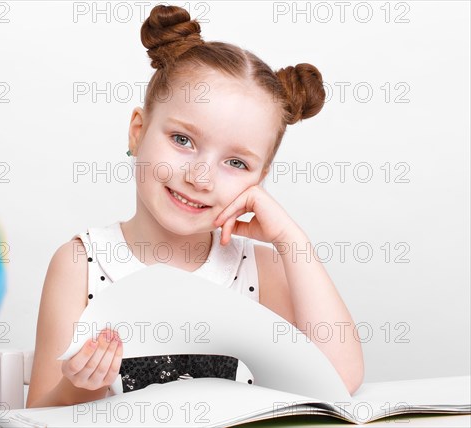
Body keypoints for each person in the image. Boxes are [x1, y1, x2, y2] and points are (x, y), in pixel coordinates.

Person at [26, 4, 364, 408]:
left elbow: (339, 380)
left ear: (260, 179)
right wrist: (83, 383)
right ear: (139, 132)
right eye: (183, 140)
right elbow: (40, 415)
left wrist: (292, 241)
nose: (200, 178)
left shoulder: (261, 269)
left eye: (236, 163)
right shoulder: (80, 264)